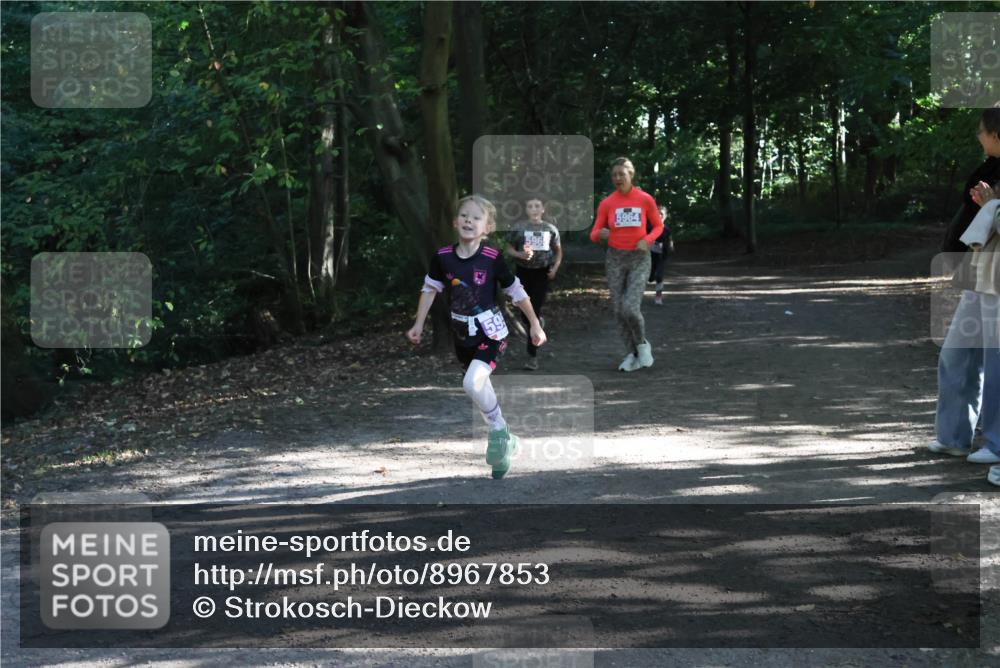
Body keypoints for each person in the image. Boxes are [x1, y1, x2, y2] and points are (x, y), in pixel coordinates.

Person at [407, 195, 546, 479]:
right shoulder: (443, 257)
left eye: (476, 217)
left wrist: (534, 324)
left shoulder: (492, 258)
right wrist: (418, 323)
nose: (469, 220)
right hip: (462, 336)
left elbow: (516, 291)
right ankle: (505, 436)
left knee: (472, 381)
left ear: (488, 227)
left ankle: (498, 432)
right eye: (465, 215)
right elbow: (430, 289)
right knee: (477, 387)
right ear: (456, 221)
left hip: (490, 332)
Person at [929, 106, 1000, 468]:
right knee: (956, 352)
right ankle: (954, 436)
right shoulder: (989, 170)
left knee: (995, 359)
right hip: (979, 273)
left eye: (982, 130)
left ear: (997, 134)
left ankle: (997, 444)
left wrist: (993, 205)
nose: (978, 135)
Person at [590, 157, 664, 371]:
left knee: (630, 308)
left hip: (639, 258)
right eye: (614, 175)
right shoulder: (607, 202)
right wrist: (601, 234)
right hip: (615, 259)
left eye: (622, 174)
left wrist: (647, 240)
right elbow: (594, 233)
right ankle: (631, 353)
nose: (617, 178)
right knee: (618, 310)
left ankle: (642, 345)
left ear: (631, 175)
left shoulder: (645, 199)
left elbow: (658, 227)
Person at [505, 197, 562, 370]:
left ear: (543, 209)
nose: (534, 209)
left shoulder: (550, 229)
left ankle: (532, 356)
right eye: (530, 206)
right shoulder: (519, 228)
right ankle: (537, 323)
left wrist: (555, 268)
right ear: (527, 210)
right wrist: (519, 254)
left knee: (534, 311)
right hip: (523, 272)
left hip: (542, 273)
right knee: (525, 314)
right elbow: (508, 248)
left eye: (537, 206)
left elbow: (558, 251)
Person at [648, 204, 674, 306]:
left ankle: (658, 296)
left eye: (661, 214)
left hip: (662, 255)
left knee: (659, 276)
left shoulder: (666, 229)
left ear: (665, 216)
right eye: (657, 213)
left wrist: (671, 244)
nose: (659, 215)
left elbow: (670, 238)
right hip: (650, 255)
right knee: (650, 277)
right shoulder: (649, 227)